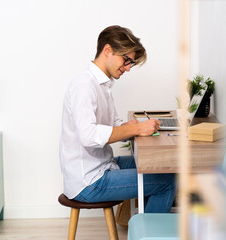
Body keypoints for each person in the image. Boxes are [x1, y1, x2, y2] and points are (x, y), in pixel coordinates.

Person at [59, 25, 176, 213]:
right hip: (89, 181)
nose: (128, 68)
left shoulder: (102, 86)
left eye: (131, 63)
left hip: (102, 165)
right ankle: (147, 233)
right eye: (126, 60)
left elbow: (113, 125)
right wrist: (136, 130)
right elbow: (88, 136)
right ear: (108, 50)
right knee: (166, 183)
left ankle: (143, 228)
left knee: (159, 165)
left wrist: (131, 126)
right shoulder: (84, 86)